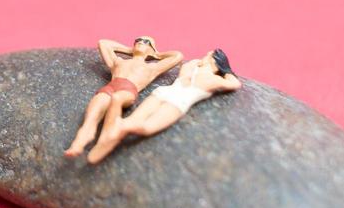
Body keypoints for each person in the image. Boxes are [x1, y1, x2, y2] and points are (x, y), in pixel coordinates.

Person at [85, 49, 241, 164]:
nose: (203, 57)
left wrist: (205, 64)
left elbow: (189, 66)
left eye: (207, 56)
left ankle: (108, 137)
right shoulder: (213, 80)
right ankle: (116, 129)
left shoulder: (192, 68)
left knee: (132, 121)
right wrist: (227, 71)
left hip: (162, 94)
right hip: (177, 103)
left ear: (213, 62)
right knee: (147, 127)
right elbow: (235, 83)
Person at [64, 37, 183, 158]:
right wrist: (129, 50)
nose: (141, 43)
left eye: (146, 42)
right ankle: (77, 145)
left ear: (152, 50)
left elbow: (177, 56)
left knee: (116, 99)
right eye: (138, 41)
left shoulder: (152, 68)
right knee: (91, 117)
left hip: (127, 90)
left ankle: (106, 139)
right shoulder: (118, 62)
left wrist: (156, 55)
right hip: (110, 87)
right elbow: (103, 43)